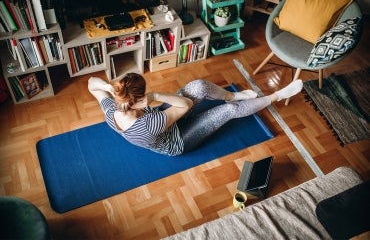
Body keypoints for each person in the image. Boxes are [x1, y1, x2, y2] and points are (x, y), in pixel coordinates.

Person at [88, 73, 303, 156]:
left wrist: (109, 87)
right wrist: (155, 95)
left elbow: (91, 84)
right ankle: (276, 95)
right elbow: (186, 104)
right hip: (176, 141)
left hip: (165, 123)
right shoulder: (149, 123)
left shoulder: (111, 109)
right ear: (138, 99)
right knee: (227, 112)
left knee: (199, 85)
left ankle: (231, 96)